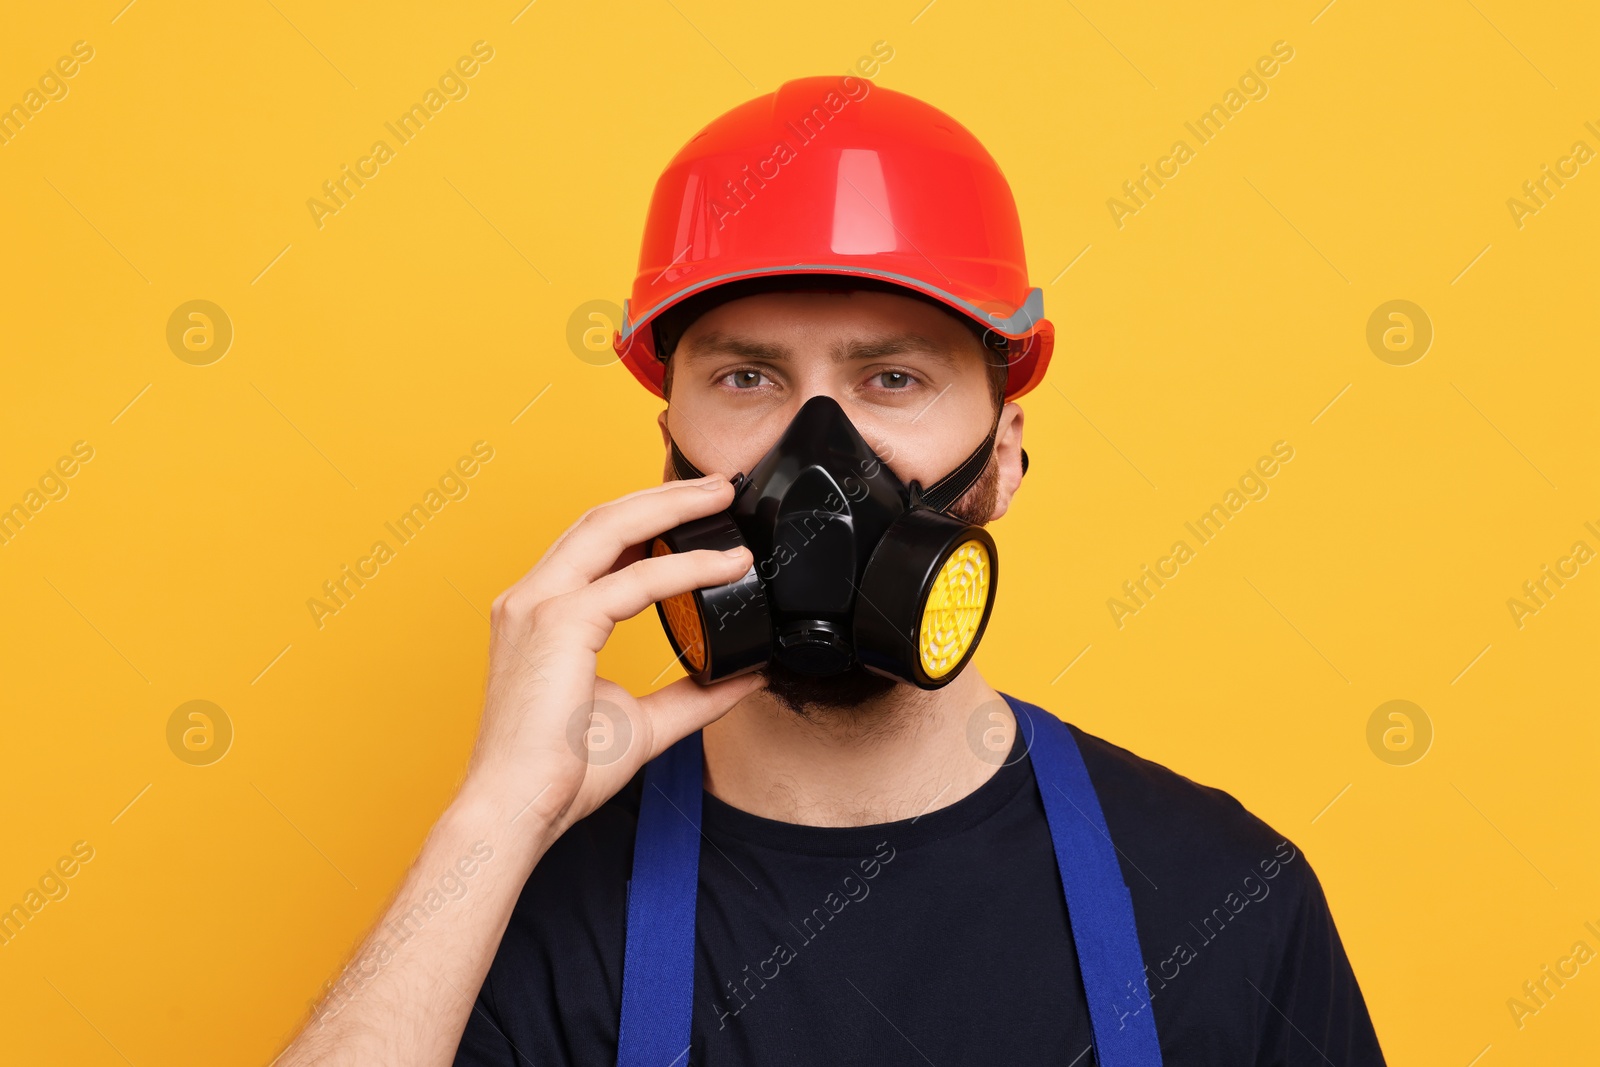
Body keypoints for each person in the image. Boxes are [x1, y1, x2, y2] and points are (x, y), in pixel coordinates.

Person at [275, 77, 1385, 1067]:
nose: (817, 454)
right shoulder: (518, 921)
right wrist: (494, 815)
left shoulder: (1222, 897)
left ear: (999, 459)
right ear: (671, 446)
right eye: (749, 376)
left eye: (893, 377)